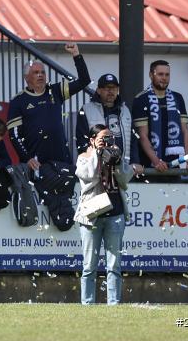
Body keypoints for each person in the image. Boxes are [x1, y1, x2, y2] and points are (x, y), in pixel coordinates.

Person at [74, 124, 133, 306]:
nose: (107, 142)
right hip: (92, 215)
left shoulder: (114, 155)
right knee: (89, 266)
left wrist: (117, 160)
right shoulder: (84, 157)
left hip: (115, 213)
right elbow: (89, 175)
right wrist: (97, 153)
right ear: (92, 140)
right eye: (102, 139)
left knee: (114, 265)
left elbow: (125, 180)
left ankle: (114, 304)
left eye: (110, 138)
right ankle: (87, 304)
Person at [7, 43, 91, 170]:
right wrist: (27, 158)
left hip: (62, 158)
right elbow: (14, 135)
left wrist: (76, 55)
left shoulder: (55, 90)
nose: (40, 75)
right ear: (26, 78)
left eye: (43, 72)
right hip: (36, 162)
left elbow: (84, 80)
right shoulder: (18, 101)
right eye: (36, 72)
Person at [133, 60, 188, 176]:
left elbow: (185, 131)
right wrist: (156, 161)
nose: (164, 78)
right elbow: (142, 135)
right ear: (151, 75)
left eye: (167, 75)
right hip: (150, 166)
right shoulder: (141, 99)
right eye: (160, 74)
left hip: (173, 165)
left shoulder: (177, 98)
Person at [75, 73, 142, 176]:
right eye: (107, 88)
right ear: (98, 90)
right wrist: (90, 161)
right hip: (97, 170)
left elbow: (132, 139)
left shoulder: (125, 110)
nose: (111, 91)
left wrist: (135, 161)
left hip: (124, 170)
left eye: (114, 88)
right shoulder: (86, 109)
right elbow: (81, 140)